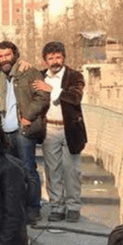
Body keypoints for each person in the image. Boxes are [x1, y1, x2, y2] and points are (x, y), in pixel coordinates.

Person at [0, 41, 49, 223]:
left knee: (28, 170)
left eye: (7, 55)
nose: (4, 59)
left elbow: (43, 97)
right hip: (5, 132)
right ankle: (15, 209)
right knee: (11, 173)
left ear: (15, 55)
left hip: (23, 131)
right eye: (0, 56)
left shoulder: (29, 73)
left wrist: (28, 116)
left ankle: (33, 209)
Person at [35, 41, 88, 223]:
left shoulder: (74, 76)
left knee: (71, 170)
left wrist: (52, 90)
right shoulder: (40, 77)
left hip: (70, 129)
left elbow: (75, 98)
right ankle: (57, 205)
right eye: (51, 58)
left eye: (58, 57)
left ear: (64, 57)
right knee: (52, 170)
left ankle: (73, 206)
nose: (55, 61)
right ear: (45, 60)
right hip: (49, 129)